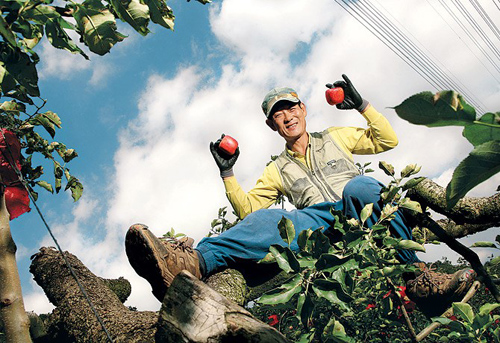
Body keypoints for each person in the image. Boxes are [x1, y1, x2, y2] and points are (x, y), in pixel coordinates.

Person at [125, 75, 475, 314]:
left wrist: (360, 104)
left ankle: (420, 280)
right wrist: (227, 171)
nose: (287, 116)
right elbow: (248, 209)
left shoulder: (335, 136)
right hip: (322, 224)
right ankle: (191, 264)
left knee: (360, 186)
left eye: (291, 108)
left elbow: (386, 140)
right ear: (272, 125)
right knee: (268, 219)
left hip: (361, 207)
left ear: (303, 109)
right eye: (278, 114)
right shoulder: (276, 169)